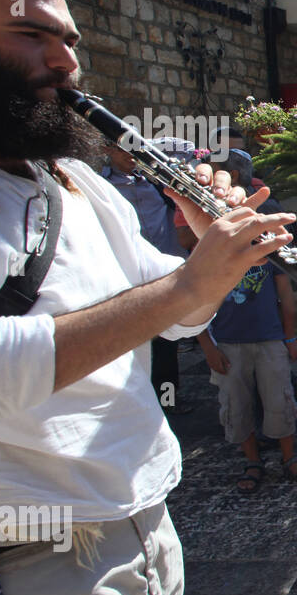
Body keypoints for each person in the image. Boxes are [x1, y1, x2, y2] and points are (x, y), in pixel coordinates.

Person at [0, 0, 297, 595]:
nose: (65, 62)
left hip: (143, 531)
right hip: (26, 565)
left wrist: (208, 256)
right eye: (30, 34)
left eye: (69, 39)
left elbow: (173, 317)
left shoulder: (73, 182)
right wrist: (184, 289)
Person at [198, 251, 297, 492]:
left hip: (270, 338)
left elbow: (285, 295)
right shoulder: (212, 249)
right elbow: (196, 301)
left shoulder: (267, 250)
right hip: (227, 342)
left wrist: (290, 337)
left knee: (280, 399)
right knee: (236, 403)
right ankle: (252, 460)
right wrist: (207, 345)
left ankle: (288, 457)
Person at [101, 138, 190, 414]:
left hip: (160, 268)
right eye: (122, 149)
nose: (130, 155)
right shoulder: (100, 186)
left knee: (166, 343)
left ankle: (169, 403)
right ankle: (135, 405)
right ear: (108, 151)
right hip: (124, 273)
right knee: (133, 342)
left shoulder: (155, 182)